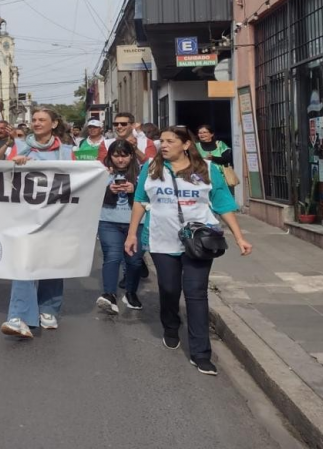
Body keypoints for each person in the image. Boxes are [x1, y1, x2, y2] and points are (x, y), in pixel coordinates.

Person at [124, 125, 252, 376]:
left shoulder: (208, 170)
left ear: (186, 145)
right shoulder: (150, 170)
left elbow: (223, 204)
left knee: (196, 293)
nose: (165, 145)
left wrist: (239, 237)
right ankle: (171, 326)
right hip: (162, 241)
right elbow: (140, 200)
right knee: (170, 288)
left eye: (170, 141)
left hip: (199, 241)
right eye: (162, 141)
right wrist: (131, 234)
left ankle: (201, 353)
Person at [1, 106, 74, 339]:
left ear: (54, 124)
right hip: (26, 217)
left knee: (52, 261)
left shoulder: (67, 151)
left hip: (56, 216)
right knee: (24, 263)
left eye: (42, 119)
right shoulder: (19, 147)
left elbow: (80, 179)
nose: (37, 123)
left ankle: (48, 308)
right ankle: (19, 316)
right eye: (34, 119)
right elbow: (3, 179)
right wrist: (14, 164)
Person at [96, 140, 145, 315]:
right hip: (108, 221)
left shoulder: (141, 175)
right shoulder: (102, 174)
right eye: (116, 156)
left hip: (136, 223)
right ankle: (109, 294)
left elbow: (150, 197)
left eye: (124, 155)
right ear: (110, 157)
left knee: (134, 260)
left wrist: (135, 189)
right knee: (112, 256)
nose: (120, 160)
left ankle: (130, 292)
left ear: (131, 156)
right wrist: (109, 190)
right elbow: (91, 197)